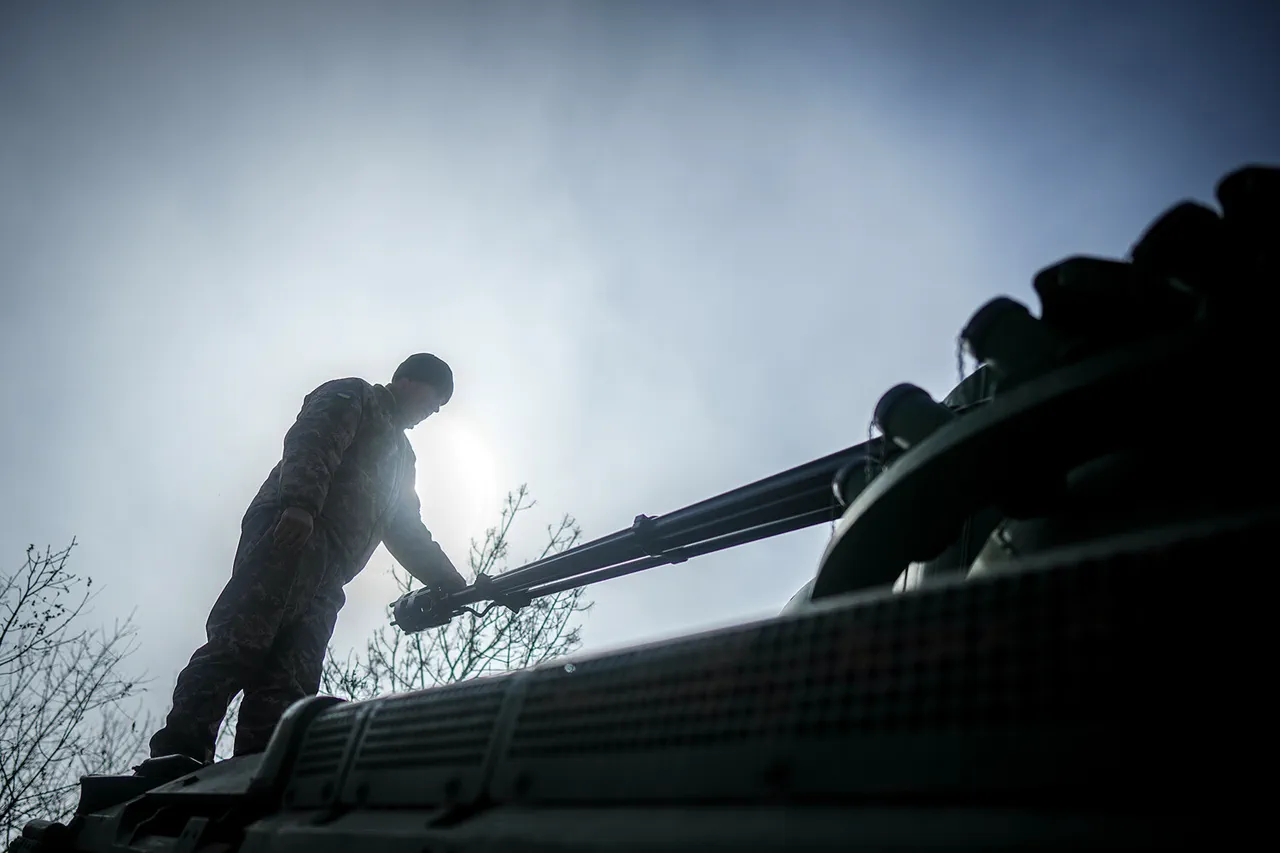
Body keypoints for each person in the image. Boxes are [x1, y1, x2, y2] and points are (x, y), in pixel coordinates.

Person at [147, 353, 468, 763]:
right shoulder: (357, 396)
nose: (434, 410)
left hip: (332, 573)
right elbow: (313, 439)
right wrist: (301, 503)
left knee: (291, 679)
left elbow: (405, 527)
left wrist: (450, 581)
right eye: (435, 396)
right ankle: (178, 753)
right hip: (294, 536)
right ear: (408, 380)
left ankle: (257, 768)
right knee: (240, 642)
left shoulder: (404, 459)